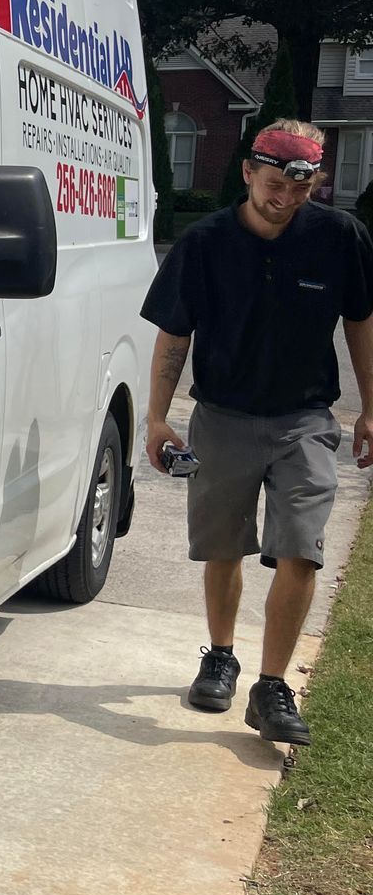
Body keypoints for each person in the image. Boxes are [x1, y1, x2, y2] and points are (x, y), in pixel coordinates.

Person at [142, 120, 373, 744]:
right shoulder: (205, 242)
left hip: (305, 420)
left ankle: (272, 688)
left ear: (315, 182)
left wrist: (371, 408)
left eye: (300, 189)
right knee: (224, 547)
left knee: (301, 547)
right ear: (248, 172)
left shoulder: (339, 237)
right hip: (221, 416)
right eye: (274, 185)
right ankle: (220, 655)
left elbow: (360, 321)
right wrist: (158, 416)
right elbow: (174, 332)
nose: (285, 200)